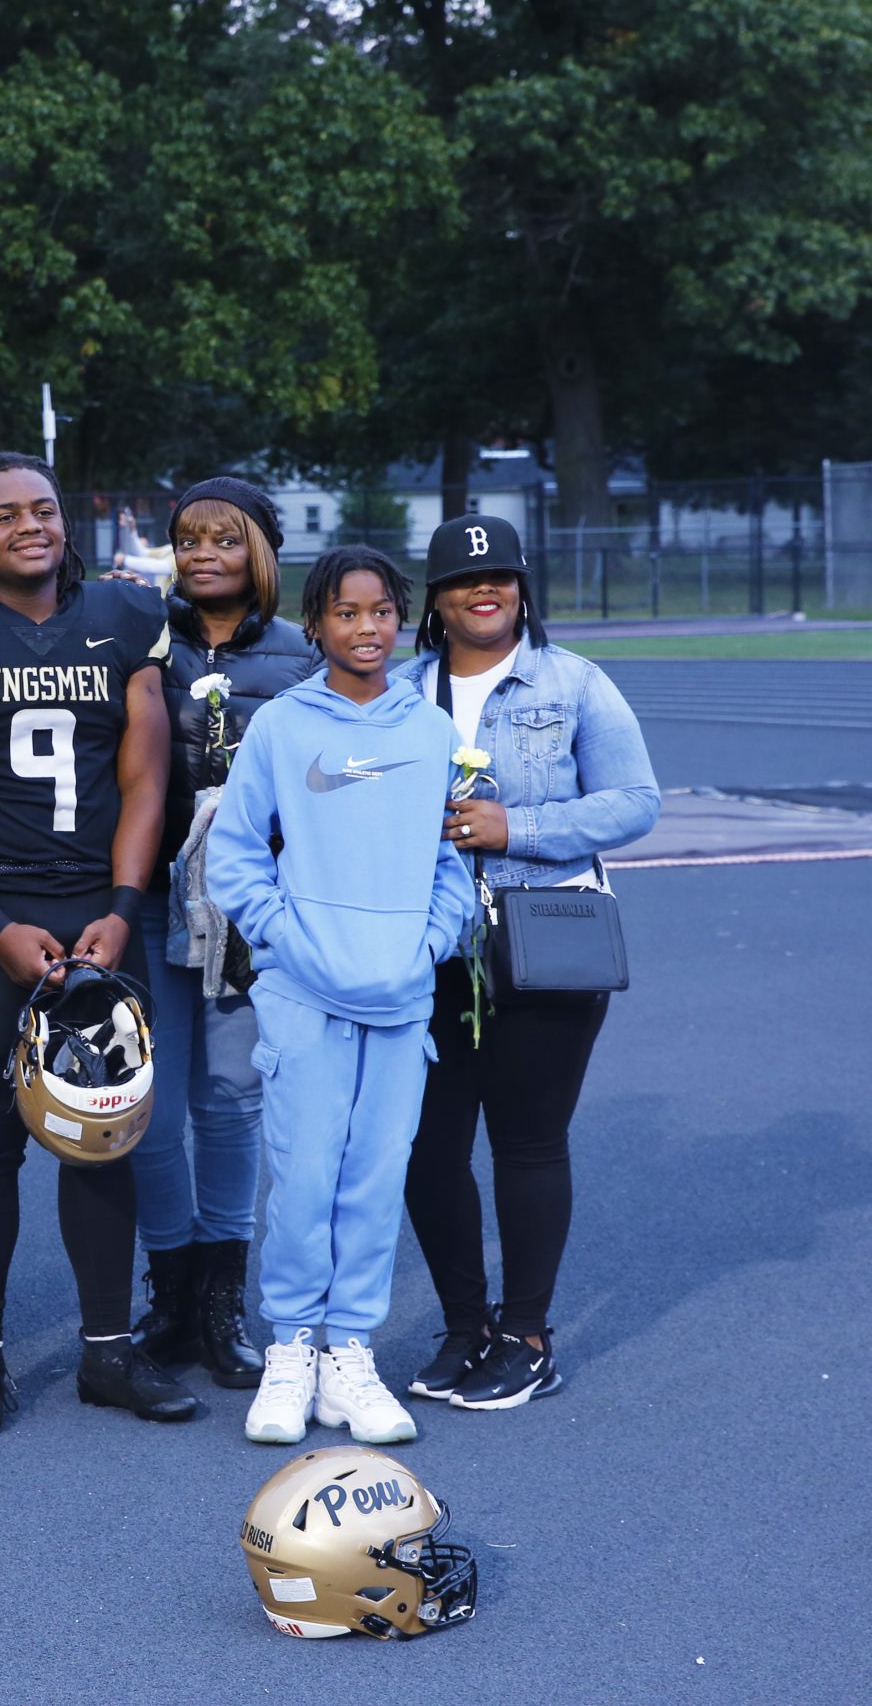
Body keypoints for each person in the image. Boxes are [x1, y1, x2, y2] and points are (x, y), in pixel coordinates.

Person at [0, 451, 197, 1435]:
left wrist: (124, 906)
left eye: (45, 509)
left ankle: (108, 1352)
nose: (31, 526)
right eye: (5, 514)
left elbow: (145, 780)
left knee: (102, 1131)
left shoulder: (127, 616)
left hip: (97, 908)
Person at [206, 545, 475, 1447]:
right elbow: (234, 855)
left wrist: (425, 946)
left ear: (403, 619)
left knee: (375, 1179)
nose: (367, 629)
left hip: (400, 996)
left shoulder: (430, 731)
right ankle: (291, 1350)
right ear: (314, 625)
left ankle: (349, 1356)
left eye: (382, 612)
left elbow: (449, 866)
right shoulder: (283, 727)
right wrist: (288, 939)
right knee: (305, 1176)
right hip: (304, 993)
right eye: (346, 613)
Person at [394, 515, 659, 1410]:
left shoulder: (574, 682)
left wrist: (520, 827)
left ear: (520, 589)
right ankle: (466, 1326)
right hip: (429, 946)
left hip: (548, 935)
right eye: (465, 580)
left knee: (528, 1143)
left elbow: (635, 802)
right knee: (428, 1149)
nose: (485, 590)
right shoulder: (402, 692)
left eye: (501, 577)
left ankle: (528, 1337)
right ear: (436, 600)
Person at [130, 479, 317, 1388]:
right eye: (188, 539)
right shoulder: (141, 639)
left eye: (226, 539)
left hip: (247, 905)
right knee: (151, 1109)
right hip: (150, 896)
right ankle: (168, 1295)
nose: (204, 555)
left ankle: (220, 1302)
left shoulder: (301, 655)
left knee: (230, 1100)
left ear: (261, 551)